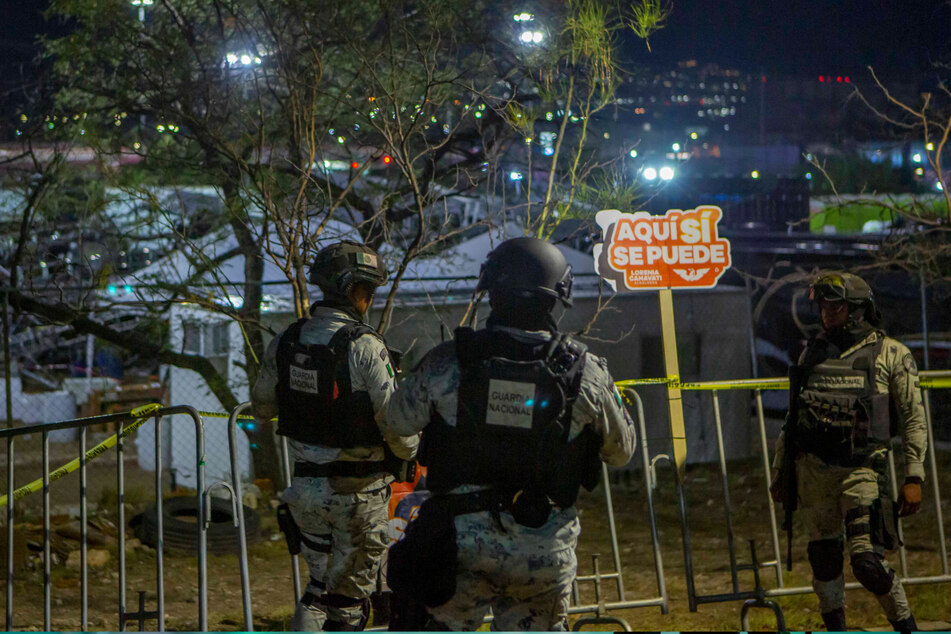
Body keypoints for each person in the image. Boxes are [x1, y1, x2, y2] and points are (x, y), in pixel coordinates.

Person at [383, 237, 636, 631]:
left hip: (458, 548)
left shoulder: (448, 362)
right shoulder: (586, 371)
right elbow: (621, 452)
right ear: (557, 298)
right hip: (543, 549)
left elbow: (396, 423)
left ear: (491, 292)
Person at [251, 241, 418, 631]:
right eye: (368, 291)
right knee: (347, 604)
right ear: (355, 291)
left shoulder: (286, 341)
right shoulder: (365, 346)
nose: (369, 299)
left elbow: (262, 407)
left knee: (317, 589)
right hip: (357, 495)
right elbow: (396, 425)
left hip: (306, 492)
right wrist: (410, 452)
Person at [770, 272, 926, 633]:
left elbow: (913, 418)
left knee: (868, 563)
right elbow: (794, 417)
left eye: (835, 305)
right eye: (822, 305)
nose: (826, 312)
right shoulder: (814, 350)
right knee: (823, 560)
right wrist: (780, 471)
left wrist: (913, 476)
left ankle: (908, 627)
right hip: (814, 472)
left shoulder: (891, 354)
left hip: (862, 471)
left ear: (857, 309)